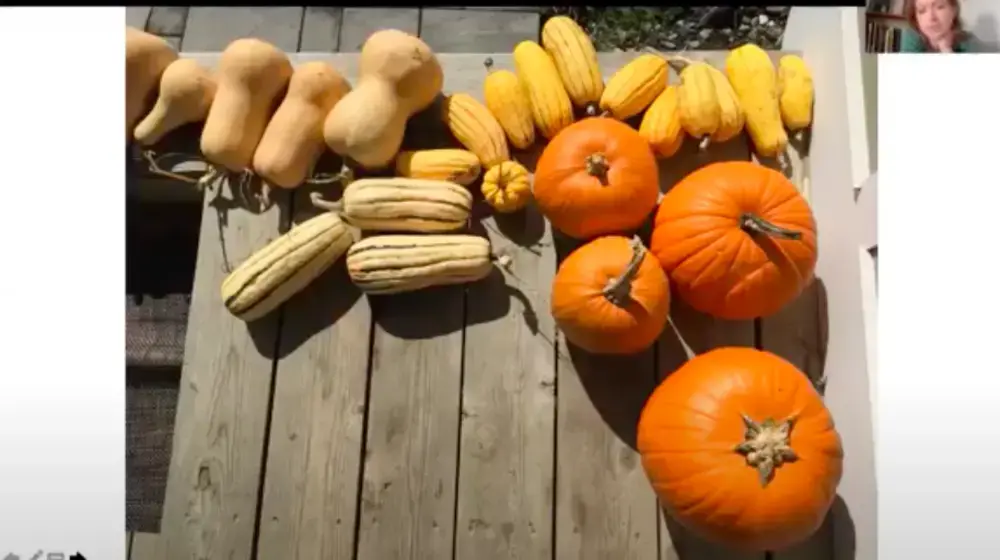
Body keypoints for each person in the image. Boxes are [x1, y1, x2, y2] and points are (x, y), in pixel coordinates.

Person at [899, 0, 978, 53]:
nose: (931, 17)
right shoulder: (911, 37)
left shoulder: (970, 43)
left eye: (939, 7)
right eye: (922, 10)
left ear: (954, 10)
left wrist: (946, 50)